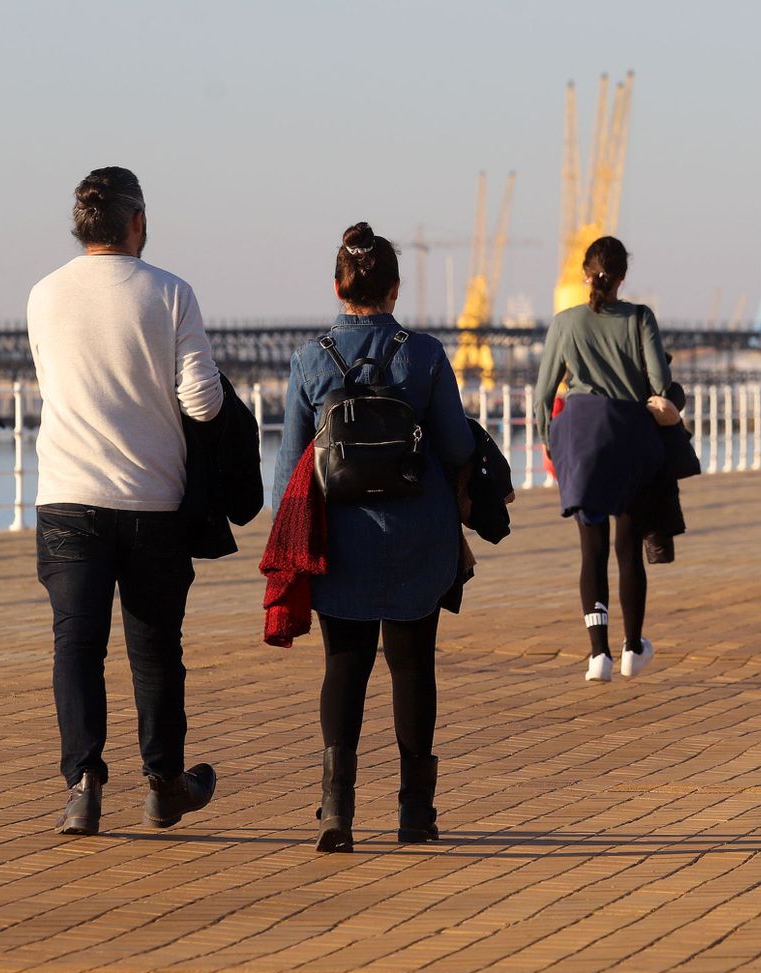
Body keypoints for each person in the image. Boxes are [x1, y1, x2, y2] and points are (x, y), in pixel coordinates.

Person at [27, 166, 223, 836]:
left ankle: (83, 784)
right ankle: (165, 783)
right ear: (136, 223)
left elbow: (54, 383)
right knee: (154, 647)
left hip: (66, 497)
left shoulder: (43, 295)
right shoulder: (172, 294)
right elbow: (203, 400)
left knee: (76, 644)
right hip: (151, 501)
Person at [270, 222, 474, 853]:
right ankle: (416, 814)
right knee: (413, 667)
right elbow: (459, 446)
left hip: (342, 541)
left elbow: (286, 473)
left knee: (344, 666)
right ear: (394, 289)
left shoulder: (310, 360)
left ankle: (337, 811)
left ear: (338, 286)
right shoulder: (426, 354)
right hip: (419, 536)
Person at [536, 236, 673, 684]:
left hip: (580, 437)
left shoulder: (564, 323)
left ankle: (599, 656)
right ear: (622, 276)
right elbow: (659, 382)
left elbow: (542, 396)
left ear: (584, 274)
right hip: (630, 436)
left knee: (590, 551)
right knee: (627, 548)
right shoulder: (640, 319)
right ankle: (633, 647)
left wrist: (550, 444)